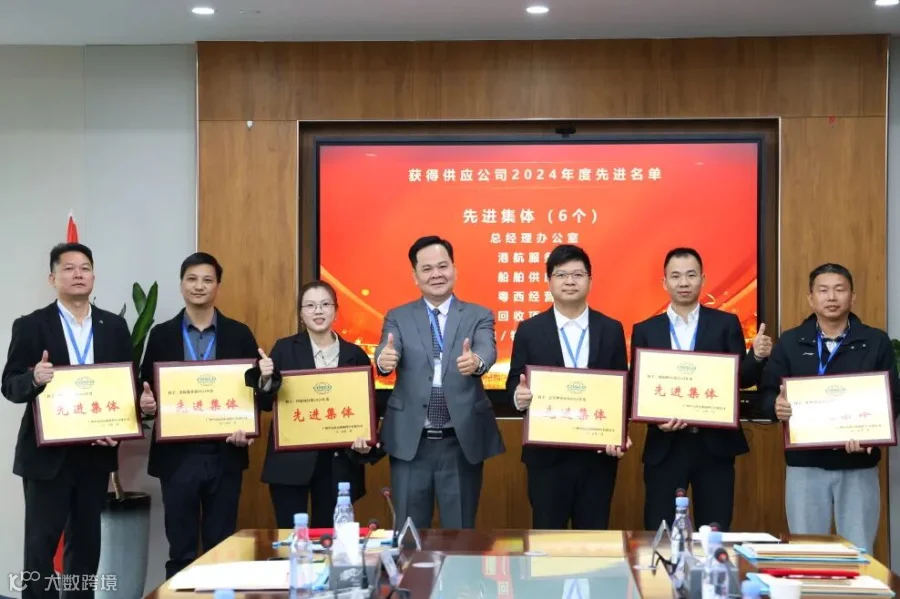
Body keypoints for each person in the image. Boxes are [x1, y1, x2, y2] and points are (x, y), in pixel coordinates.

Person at [1, 243, 132, 599]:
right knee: (40, 548)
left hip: (94, 454)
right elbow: (9, 385)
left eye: (85, 268)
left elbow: (126, 384)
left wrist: (119, 429)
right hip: (47, 457)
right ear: (53, 278)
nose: (78, 274)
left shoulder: (114, 326)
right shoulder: (31, 326)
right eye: (69, 268)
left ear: (93, 276)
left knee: (86, 546)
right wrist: (33, 379)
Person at [138, 252, 266, 578]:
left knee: (221, 549)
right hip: (177, 458)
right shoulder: (162, 334)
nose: (199, 286)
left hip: (225, 454)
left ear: (218, 286)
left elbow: (259, 395)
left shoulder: (239, 334)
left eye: (207, 280)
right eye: (192, 279)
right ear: (181, 284)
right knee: (180, 550)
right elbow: (145, 386)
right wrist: (146, 403)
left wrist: (248, 425)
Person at [760, 263, 900, 551]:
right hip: (805, 465)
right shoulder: (791, 342)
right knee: (807, 551)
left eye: (839, 289)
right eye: (823, 290)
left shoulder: (875, 341)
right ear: (811, 298)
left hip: (857, 464)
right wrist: (775, 406)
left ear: (852, 297)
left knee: (859, 551)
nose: (832, 297)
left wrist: (872, 435)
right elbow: (767, 394)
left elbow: (893, 397)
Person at [631, 247, 771, 532]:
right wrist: (655, 419)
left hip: (714, 446)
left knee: (715, 528)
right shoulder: (645, 330)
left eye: (691, 275)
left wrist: (756, 357)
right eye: (676, 276)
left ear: (703, 280)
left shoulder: (725, 324)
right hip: (666, 445)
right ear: (664, 282)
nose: (684, 282)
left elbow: (740, 379)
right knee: (662, 528)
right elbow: (639, 385)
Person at [373, 235, 503, 530]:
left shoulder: (478, 314)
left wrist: (477, 362)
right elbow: (386, 348)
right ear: (415, 276)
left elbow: (487, 348)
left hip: (460, 440)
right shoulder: (398, 316)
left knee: (460, 531)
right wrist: (384, 360)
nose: (436, 274)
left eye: (443, 266)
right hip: (411, 441)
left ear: (454, 269)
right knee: (409, 534)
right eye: (427, 268)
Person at [506, 244, 631, 530]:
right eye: (561, 275)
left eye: (578, 274)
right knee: (548, 538)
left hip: (598, 456)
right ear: (549, 281)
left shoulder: (611, 329)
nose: (570, 281)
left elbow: (621, 388)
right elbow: (514, 380)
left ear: (590, 280)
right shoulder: (529, 330)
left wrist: (620, 432)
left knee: (594, 539)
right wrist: (518, 395)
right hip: (547, 458)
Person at [248, 280, 380, 529]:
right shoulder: (284, 349)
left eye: (325, 304)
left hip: (338, 465)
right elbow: (265, 403)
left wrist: (366, 440)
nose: (318, 311)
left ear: (336, 310)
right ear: (301, 314)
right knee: (291, 539)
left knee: (331, 541)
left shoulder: (356, 355)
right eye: (310, 305)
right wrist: (265, 378)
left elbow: (368, 408)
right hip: (290, 463)